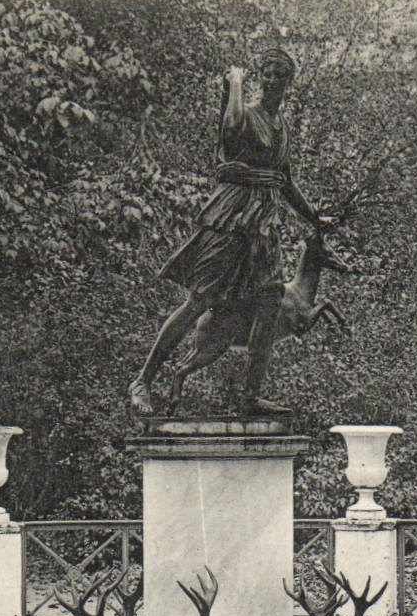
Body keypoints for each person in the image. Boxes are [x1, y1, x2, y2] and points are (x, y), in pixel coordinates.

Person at [130, 48, 331, 416]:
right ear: (257, 78)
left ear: (288, 83)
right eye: (265, 74)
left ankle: (250, 398)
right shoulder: (244, 114)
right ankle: (143, 380)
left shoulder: (281, 126)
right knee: (201, 300)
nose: (271, 81)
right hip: (231, 215)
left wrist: (315, 218)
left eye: (278, 76)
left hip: (264, 225)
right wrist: (235, 83)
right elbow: (231, 129)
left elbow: (285, 181)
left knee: (269, 305)